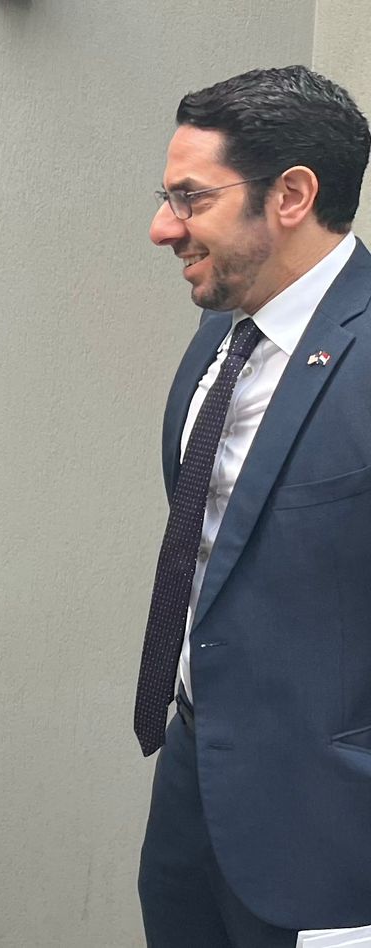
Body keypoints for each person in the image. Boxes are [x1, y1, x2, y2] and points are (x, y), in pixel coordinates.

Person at [135, 65, 371, 946]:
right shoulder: (218, 340)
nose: (163, 226)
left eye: (190, 197)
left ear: (293, 196)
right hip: (198, 791)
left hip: (333, 841)